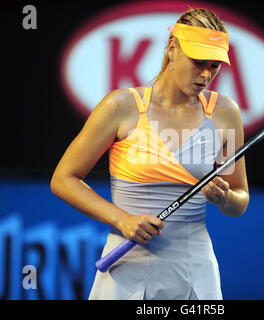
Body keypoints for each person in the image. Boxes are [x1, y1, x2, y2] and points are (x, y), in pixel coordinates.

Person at [50, 8, 249, 300]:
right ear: (172, 49)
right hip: (126, 269)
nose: (206, 74)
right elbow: (63, 179)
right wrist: (121, 219)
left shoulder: (226, 113)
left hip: (197, 272)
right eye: (197, 62)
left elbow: (240, 198)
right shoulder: (120, 106)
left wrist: (226, 198)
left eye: (215, 65)